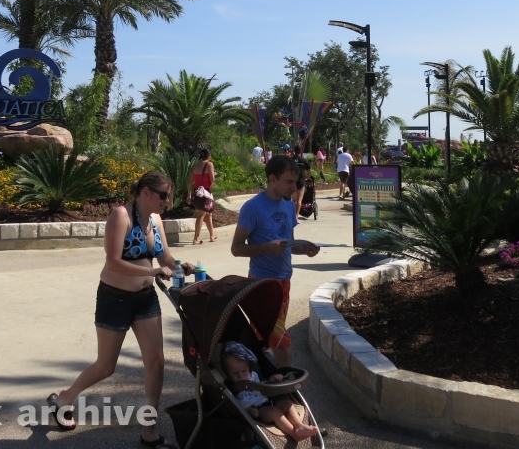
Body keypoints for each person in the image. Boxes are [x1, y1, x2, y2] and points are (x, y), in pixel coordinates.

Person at [49, 171, 190, 448]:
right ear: (146, 192)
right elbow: (113, 262)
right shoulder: (121, 216)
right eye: (163, 195)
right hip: (114, 299)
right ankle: (65, 397)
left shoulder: (156, 220)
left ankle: (148, 429)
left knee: (156, 362)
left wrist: (179, 266)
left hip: (146, 299)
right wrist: (152, 269)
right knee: (106, 366)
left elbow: (165, 256)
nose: (167, 201)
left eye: (169, 195)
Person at [230, 156, 320, 366]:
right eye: (289, 182)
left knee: (262, 340)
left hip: (284, 282)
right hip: (262, 284)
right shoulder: (253, 208)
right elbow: (236, 248)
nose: (294, 187)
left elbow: (287, 244)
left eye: (296, 182)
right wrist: (265, 248)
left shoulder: (288, 206)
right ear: (272, 179)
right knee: (283, 346)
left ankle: (261, 381)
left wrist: (304, 249)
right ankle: (282, 386)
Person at [221, 342, 318, 441]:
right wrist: (248, 410)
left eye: (244, 371)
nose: (241, 376)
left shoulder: (254, 375)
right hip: (258, 412)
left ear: (248, 367)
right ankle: (294, 434)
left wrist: (273, 379)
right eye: (235, 373)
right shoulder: (230, 386)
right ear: (227, 373)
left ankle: (299, 425)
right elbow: (234, 407)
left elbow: (265, 383)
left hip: (270, 402)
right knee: (274, 412)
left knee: (287, 403)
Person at [191, 148, 217, 245]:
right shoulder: (209, 164)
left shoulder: (195, 166)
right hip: (206, 192)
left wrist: (189, 194)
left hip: (197, 191)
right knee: (201, 215)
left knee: (208, 213)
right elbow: (212, 179)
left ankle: (212, 235)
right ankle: (196, 238)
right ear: (209, 155)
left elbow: (190, 181)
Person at [290, 145, 310, 219]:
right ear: (300, 151)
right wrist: (306, 178)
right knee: (299, 200)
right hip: (301, 181)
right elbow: (309, 172)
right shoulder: (303, 160)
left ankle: (292, 215)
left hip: (293, 182)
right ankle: (296, 216)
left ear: (294, 151)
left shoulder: (291, 160)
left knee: (293, 200)